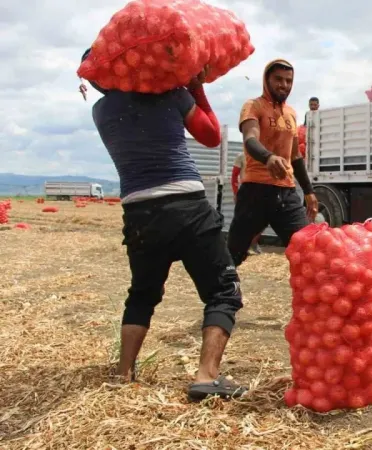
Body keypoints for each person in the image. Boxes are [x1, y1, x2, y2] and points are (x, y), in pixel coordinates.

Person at [83, 49, 246, 401]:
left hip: (139, 213)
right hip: (187, 206)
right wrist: (195, 86)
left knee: (142, 294)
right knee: (223, 291)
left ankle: (123, 374)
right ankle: (206, 376)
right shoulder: (170, 91)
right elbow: (211, 135)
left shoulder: (101, 110)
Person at [227, 59, 318, 266]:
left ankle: (307, 297)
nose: (283, 85)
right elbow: (250, 139)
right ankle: (224, 297)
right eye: (278, 79)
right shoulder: (253, 106)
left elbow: (295, 156)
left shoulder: (292, 114)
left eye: (288, 81)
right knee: (232, 256)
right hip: (255, 192)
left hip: (286, 192)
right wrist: (268, 157)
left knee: (306, 252)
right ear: (266, 79)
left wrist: (309, 191)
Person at [230, 153, 262, 255]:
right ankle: (241, 246)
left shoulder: (264, 155)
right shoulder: (242, 156)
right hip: (246, 190)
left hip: (262, 190)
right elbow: (234, 175)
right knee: (242, 219)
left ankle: (253, 243)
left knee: (261, 219)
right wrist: (235, 192)